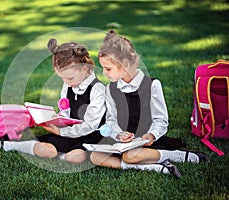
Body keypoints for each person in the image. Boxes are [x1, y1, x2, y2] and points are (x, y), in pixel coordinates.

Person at [90, 30, 209, 178]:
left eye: (108, 69)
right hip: (124, 143)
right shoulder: (111, 89)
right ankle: (159, 167)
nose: (104, 73)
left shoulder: (152, 85)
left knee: (129, 157)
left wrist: (151, 135)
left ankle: (178, 155)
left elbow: (161, 120)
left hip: (148, 142)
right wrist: (119, 135)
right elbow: (111, 120)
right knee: (95, 156)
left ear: (125, 64)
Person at [0, 38, 106, 164]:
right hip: (69, 133)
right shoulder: (69, 85)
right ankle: (7, 145)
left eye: (70, 78)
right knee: (47, 149)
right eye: (62, 78)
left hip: (90, 136)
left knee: (77, 157)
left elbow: (91, 125)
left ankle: (58, 155)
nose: (67, 82)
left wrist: (61, 131)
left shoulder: (97, 89)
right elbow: (66, 112)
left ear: (85, 68)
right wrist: (56, 121)